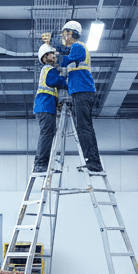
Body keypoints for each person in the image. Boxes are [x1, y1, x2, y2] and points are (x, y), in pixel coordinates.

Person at [59, 20, 102, 172]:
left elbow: (65, 61)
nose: (63, 37)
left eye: (64, 34)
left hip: (83, 92)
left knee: (84, 127)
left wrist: (53, 51)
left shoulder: (77, 47)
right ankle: (92, 160)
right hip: (80, 92)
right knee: (84, 127)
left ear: (71, 33)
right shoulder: (75, 49)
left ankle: (93, 162)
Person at [33, 42, 68, 173]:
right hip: (45, 106)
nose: (54, 57)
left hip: (46, 106)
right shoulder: (49, 69)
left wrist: (57, 102)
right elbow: (53, 82)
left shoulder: (48, 71)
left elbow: (51, 90)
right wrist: (66, 82)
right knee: (47, 134)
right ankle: (40, 164)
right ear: (45, 57)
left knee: (48, 134)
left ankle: (43, 163)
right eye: (52, 54)